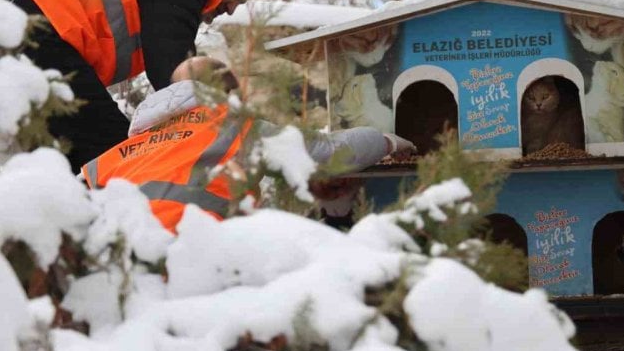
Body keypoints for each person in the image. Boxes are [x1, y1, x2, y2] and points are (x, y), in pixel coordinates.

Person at [0, 0, 259, 168]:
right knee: (116, 157)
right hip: (23, 10)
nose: (231, 8)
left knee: (59, 160)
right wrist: (222, 106)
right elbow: (172, 69)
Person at [81, 57, 415, 231]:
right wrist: (387, 140)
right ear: (227, 97)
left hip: (117, 261)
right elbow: (323, 153)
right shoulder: (230, 125)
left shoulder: (117, 154)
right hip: (191, 251)